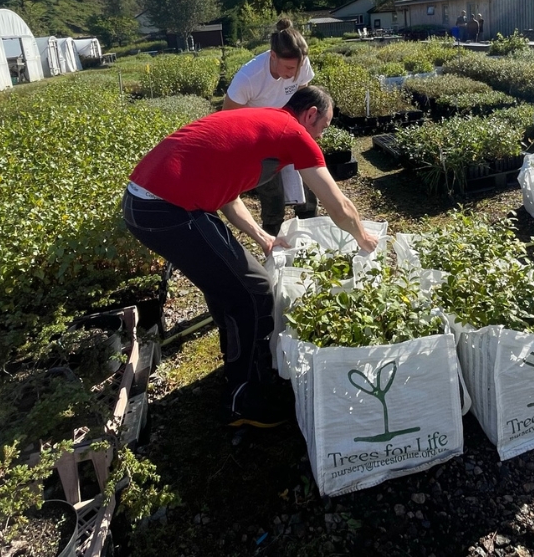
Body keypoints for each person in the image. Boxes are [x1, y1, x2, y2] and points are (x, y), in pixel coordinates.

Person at [123, 87, 377, 428]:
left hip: (151, 202)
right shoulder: (293, 133)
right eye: (324, 127)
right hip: (165, 208)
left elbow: (228, 195)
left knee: (229, 282)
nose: (321, 136)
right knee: (254, 292)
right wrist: (363, 238)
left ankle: (236, 363)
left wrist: (263, 238)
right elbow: (338, 204)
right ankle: (247, 400)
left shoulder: (262, 122)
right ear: (311, 114)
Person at [224, 18, 317, 236]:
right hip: (259, 137)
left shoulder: (300, 64)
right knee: (272, 194)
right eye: (288, 68)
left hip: (287, 128)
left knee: (308, 185)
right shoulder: (248, 78)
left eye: (297, 68)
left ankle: (311, 234)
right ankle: (273, 241)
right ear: (272, 56)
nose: (293, 74)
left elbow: (302, 97)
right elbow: (227, 119)